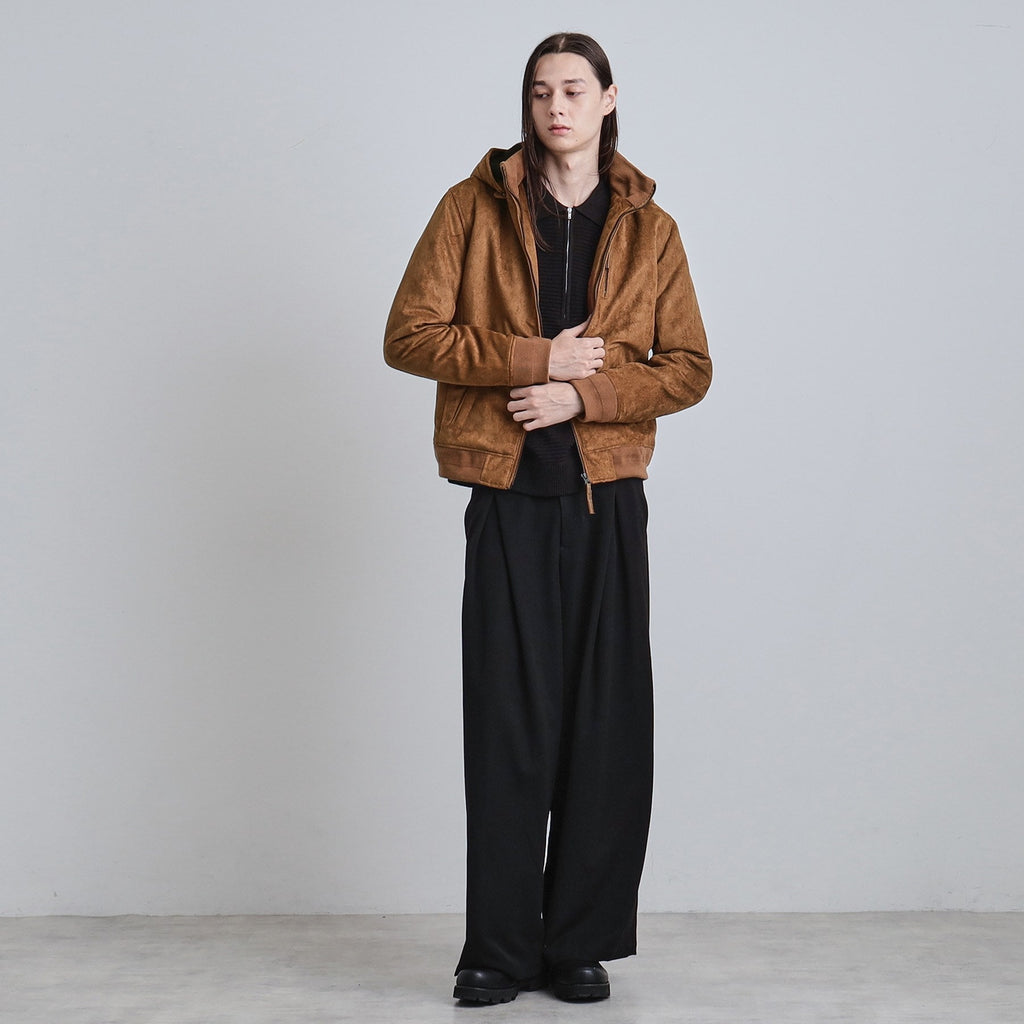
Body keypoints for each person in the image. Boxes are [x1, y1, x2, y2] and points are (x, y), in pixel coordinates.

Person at [384, 31, 711, 1005]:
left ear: (608, 99)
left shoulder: (651, 229)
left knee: (606, 722)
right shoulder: (469, 208)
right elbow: (409, 335)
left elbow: (688, 367)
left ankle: (578, 941)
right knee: (506, 722)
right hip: (506, 494)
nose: (555, 107)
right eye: (539, 92)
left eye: (573, 90)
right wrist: (538, 359)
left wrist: (584, 394)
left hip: (608, 496)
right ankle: (496, 947)